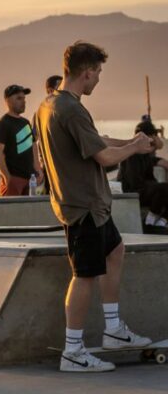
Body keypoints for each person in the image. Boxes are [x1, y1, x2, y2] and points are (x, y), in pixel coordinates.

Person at [34, 41, 155, 372]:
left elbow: (94, 139)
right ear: (86, 72)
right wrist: (132, 148)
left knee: (115, 250)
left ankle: (114, 330)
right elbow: (103, 156)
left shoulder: (49, 104)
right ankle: (73, 351)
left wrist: (134, 143)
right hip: (82, 205)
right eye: (98, 72)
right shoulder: (71, 109)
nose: (99, 78)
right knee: (84, 276)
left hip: (92, 205)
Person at [0, 84, 43, 196]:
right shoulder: (3, 124)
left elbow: (33, 145)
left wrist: (38, 169)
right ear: (7, 101)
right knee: (10, 211)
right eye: (19, 98)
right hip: (13, 178)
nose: (23, 101)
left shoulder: (25, 122)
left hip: (30, 178)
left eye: (24, 98)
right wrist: (7, 177)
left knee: (26, 210)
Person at [117, 117, 167, 211]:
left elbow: (154, 156)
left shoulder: (145, 153)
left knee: (163, 189)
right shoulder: (132, 153)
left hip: (142, 188)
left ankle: (159, 218)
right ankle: (152, 219)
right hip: (133, 191)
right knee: (163, 189)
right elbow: (134, 183)